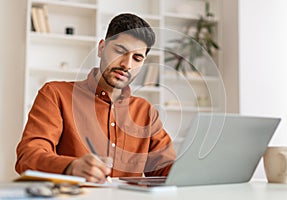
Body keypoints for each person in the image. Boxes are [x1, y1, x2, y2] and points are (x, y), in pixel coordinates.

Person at [15, 13, 176, 183]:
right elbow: (28, 156)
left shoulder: (146, 112)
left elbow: (167, 168)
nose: (127, 65)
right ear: (101, 48)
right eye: (120, 51)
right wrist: (71, 167)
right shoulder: (55, 94)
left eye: (137, 58)